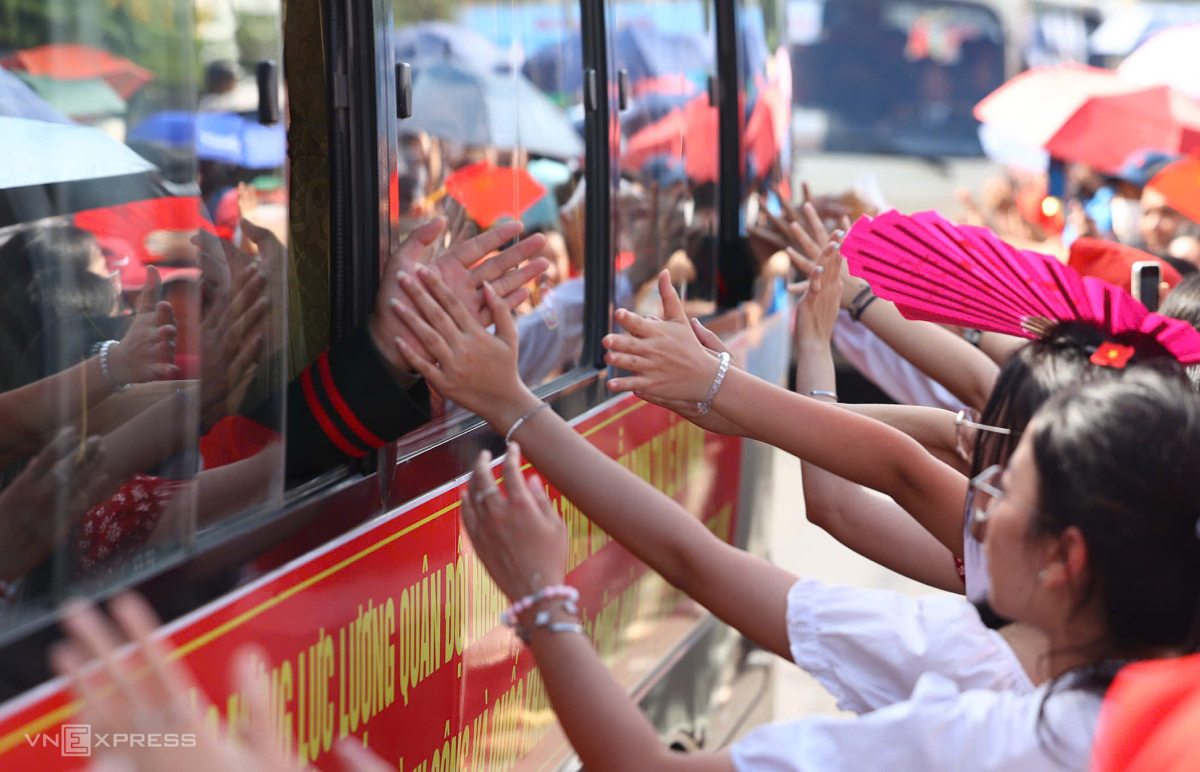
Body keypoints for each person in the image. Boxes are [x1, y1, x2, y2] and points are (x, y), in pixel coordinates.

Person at [390, 264, 1200, 770]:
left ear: (1068, 558)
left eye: (999, 488)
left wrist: (541, 596)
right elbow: (904, 463)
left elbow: (709, 561)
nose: (975, 511)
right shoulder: (1155, 718)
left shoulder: (986, 726)